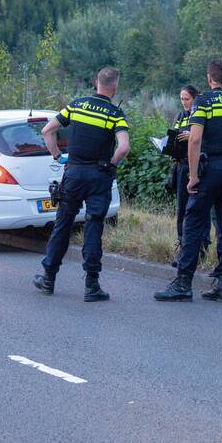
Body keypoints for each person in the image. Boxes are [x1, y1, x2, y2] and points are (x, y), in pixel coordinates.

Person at [155, 60, 222, 303]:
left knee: (193, 223)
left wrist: (193, 176)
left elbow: (194, 140)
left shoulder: (203, 102)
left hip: (211, 169)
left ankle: (183, 284)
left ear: (209, 78)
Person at [34, 66, 130, 301]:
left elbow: (47, 130)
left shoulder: (76, 106)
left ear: (96, 82)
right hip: (99, 176)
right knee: (94, 226)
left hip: (74, 174)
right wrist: (111, 164)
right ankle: (91, 286)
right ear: (115, 87)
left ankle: (48, 279)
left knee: (63, 224)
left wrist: (57, 156)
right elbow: (124, 147)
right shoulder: (115, 114)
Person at [171, 85, 199, 265]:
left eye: (186, 99)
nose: (183, 102)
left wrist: (192, 136)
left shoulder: (201, 116)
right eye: (181, 99)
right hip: (181, 166)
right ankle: (182, 248)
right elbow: (173, 134)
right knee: (182, 209)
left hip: (196, 166)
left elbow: (206, 140)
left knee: (196, 210)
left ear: (195, 99)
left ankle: (200, 249)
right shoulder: (180, 116)